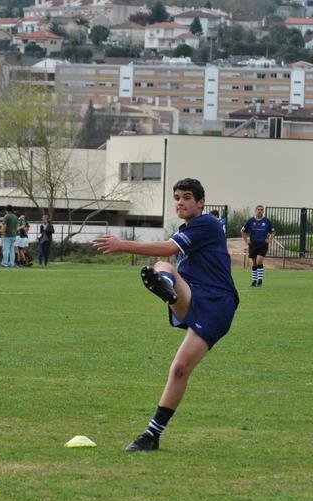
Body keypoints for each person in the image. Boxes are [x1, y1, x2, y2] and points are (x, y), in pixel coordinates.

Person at [93, 178, 239, 452]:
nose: (180, 202)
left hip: (217, 303)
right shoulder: (188, 229)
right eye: (177, 198)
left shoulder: (207, 224)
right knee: (164, 267)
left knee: (180, 367)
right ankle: (167, 289)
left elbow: (169, 248)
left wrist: (121, 244)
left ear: (201, 202)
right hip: (193, 295)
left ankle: (152, 433)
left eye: (187, 197)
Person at [241, 205, 275, 287]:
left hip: (263, 244)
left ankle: (260, 281)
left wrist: (269, 240)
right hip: (253, 244)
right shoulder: (251, 220)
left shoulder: (266, 221)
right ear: (255, 211)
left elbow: (273, 231)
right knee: (254, 263)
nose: (260, 211)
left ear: (263, 211)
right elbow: (243, 231)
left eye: (261, 210)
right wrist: (246, 240)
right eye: (258, 209)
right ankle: (254, 281)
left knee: (259, 260)